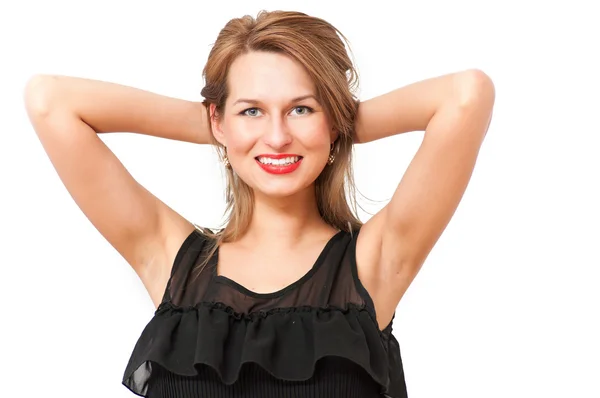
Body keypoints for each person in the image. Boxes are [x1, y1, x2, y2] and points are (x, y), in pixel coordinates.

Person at [24, 9, 494, 398]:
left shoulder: (372, 265)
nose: (276, 136)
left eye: (301, 109)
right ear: (219, 120)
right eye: (252, 110)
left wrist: (335, 125)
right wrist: (221, 128)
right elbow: (50, 101)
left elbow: (465, 96)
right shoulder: (173, 262)